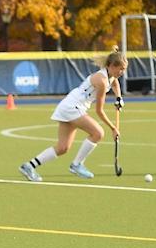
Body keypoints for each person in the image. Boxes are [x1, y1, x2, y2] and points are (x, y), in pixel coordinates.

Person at [19, 48, 125, 182]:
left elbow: (115, 83)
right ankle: (77, 164)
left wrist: (119, 98)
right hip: (73, 107)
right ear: (111, 66)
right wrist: (113, 128)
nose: (122, 72)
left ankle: (29, 166)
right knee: (98, 133)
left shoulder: (110, 76)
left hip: (69, 105)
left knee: (62, 147)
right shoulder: (102, 81)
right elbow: (99, 111)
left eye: (124, 69)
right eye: (121, 69)